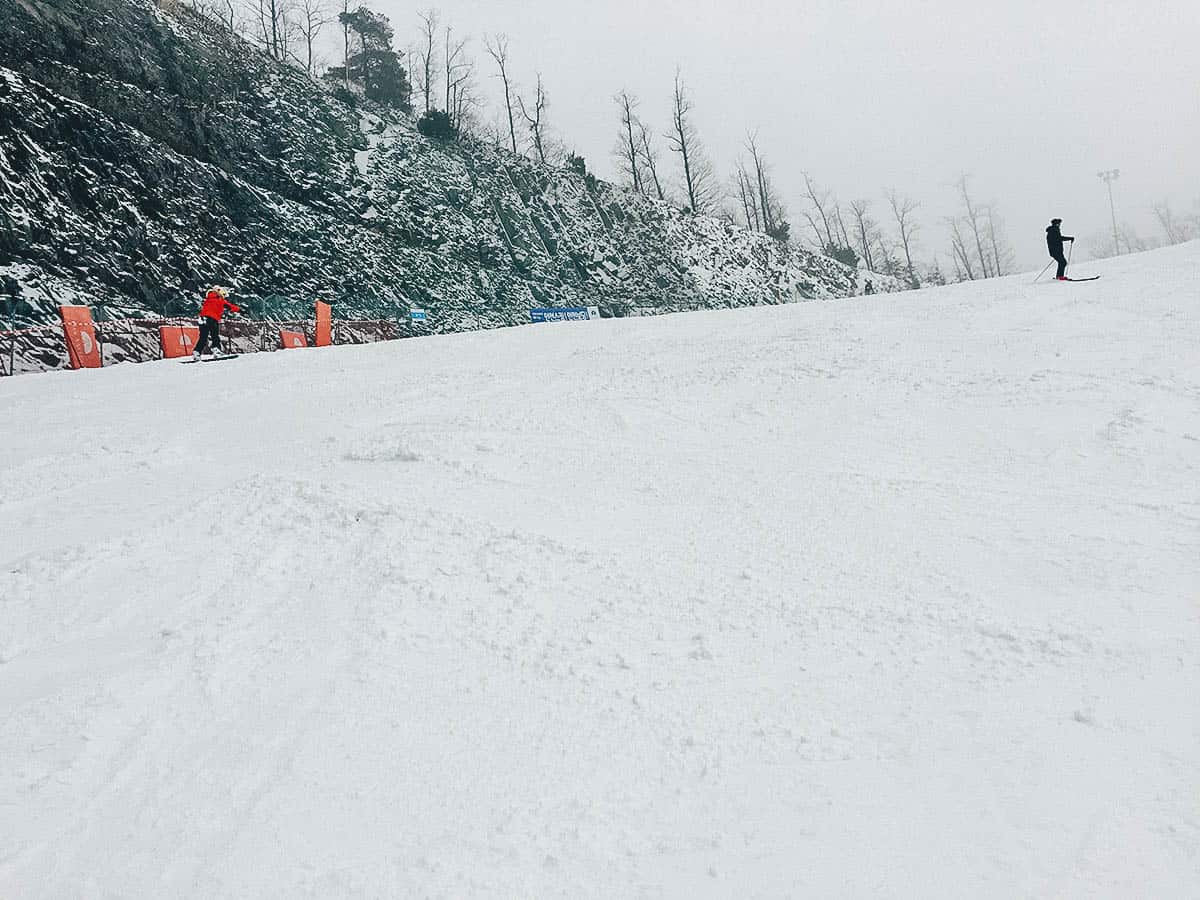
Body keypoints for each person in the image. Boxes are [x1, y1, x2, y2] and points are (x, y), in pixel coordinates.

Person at [193, 286, 240, 360]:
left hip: (202, 319)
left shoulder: (209, 298)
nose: (224, 297)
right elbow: (229, 306)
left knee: (203, 337)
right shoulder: (219, 299)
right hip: (211, 319)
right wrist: (239, 310)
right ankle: (216, 351)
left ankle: (197, 352)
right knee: (215, 335)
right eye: (223, 295)